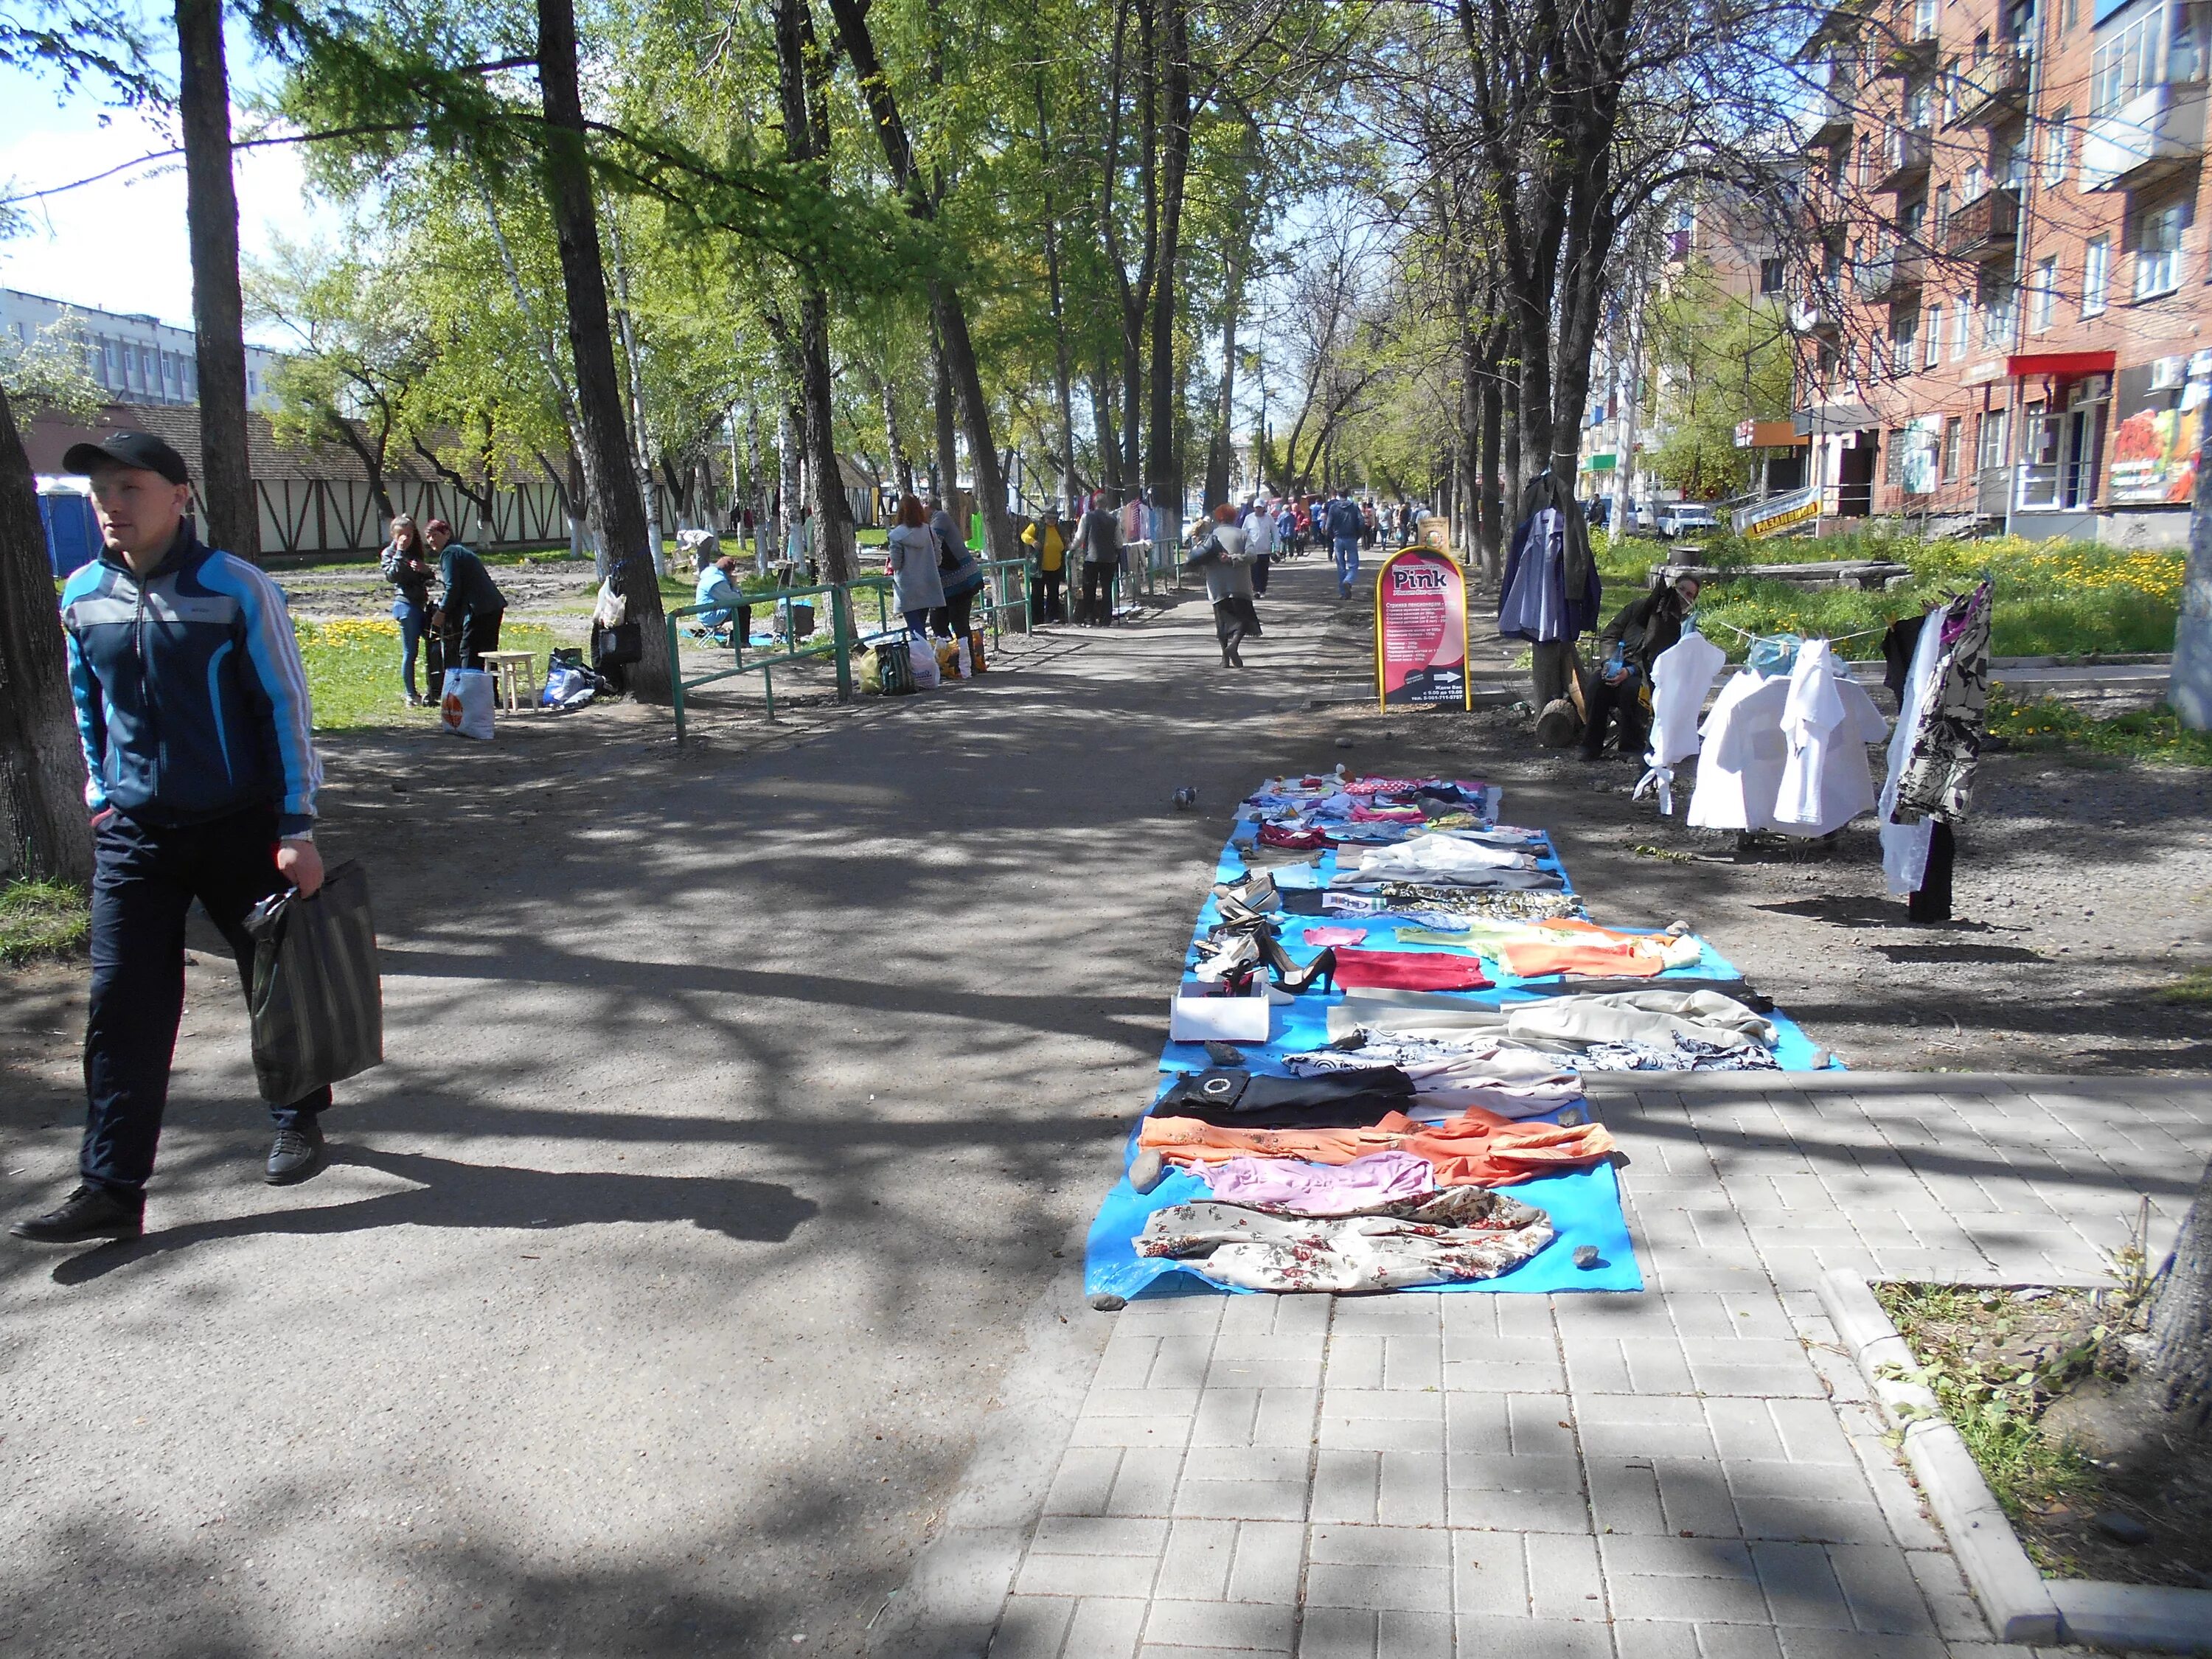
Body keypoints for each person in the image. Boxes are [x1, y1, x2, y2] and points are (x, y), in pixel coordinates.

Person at [13, 433, 333, 1245]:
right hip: (135, 836)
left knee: (275, 979)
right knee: (121, 1005)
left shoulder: (235, 589)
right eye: (100, 493)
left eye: (130, 487)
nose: (112, 505)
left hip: (240, 827)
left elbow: (283, 708)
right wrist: (100, 796)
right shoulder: (82, 593)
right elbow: (90, 707)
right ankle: (111, 1186)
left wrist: (295, 826)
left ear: (179, 496)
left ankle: (296, 1112)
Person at [1579, 571, 1702, 760]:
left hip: (1650, 678)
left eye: (1689, 594)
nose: (1683, 596)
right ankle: (1590, 746)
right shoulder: (1638, 608)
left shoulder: (1682, 627)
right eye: (1682, 589)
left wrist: (1631, 670)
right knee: (1596, 683)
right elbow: (1611, 634)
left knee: (1633, 688)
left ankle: (1631, 747)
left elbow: (1667, 662)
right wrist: (1609, 662)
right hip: (1618, 663)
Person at [424, 518, 506, 670]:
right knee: (487, 654)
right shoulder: (459, 550)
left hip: (479, 608)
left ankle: (469, 692)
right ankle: (488, 693)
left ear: (447, 533)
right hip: (492, 606)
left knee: (469, 651)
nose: (431, 540)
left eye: (434, 535)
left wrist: (441, 612)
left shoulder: (449, 553)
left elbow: (453, 587)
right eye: (428, 537)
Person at [1191, 503, 1260, 667]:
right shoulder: (1243, 535)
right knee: (1244, 619)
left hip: (1216, 586)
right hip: (1240, 585)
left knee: (1221, 622)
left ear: (1217, 518)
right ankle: (1234, 645)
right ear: (1234, 517)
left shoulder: (1209, 537)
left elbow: (1199, 559)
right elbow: (1252, 557)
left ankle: (1225, 659)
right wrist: (1233, 558)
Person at [380, 512, 437, 705]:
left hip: (421, 604)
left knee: (433, 646)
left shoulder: (415, 553)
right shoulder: (390, 553)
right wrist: (399, 552)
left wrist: (426, 571)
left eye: (410, 536)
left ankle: (434, 688)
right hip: (405, 605)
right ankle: (411, 694)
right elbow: (392, 576)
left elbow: (429, 580)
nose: (406, 539)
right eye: (401, 536)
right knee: (410, 651)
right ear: (393, 536)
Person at [885, 493, 945, 638]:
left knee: (915, 629)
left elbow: (897, 564)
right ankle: (924, 656)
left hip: (907, 588)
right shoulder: (929, 530)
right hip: (927, 584)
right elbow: (938, 559)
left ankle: (922, 658)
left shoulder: (896, 535)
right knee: (920, 626)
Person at [929, 496, 987, 639]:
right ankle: (949, 657)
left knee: (959, 623)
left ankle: (967, 659)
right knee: (938, 623)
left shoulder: (940, 518)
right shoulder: (929, 523)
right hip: (947, 585)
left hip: (962, 580)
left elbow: (932, 542)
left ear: (927, 506)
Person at [1071, 490, 1123, 625]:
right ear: (1106, 505)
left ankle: (1089, 617)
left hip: (1091, 558)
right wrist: (1117, 551)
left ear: (1094, 504)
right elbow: (1119, 541)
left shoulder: (1086, 517)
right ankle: (1106, 619)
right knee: (1107, 589)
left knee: (1089, 589)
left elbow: (1079, 537)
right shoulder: (1114, 519)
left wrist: (1071, 548)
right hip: (1109, 559)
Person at [692, 545, 751, 647]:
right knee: (744, 609)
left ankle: (737, 640)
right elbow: (736, 599)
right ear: (729, 571)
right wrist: (735, 585)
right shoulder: (718, 582)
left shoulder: (710, 575)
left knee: (742, 609)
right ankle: (738, 642)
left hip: (710, 610)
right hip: (710, 615)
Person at [1023, 505, 1069, 623]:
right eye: (1049, 518)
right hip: (1039, 568)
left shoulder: (1059, 529)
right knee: (1037, 595)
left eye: (1054, 518)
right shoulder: (1036, 526)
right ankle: (1036, 621)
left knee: (1053, 594)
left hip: (1055, 568)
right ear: (1044, 517)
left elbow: (1064, 542)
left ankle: (1052, 619)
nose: (1052, 520)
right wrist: (1033, 542)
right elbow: (1024, 535)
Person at [1324, 487, 1366, 598]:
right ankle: (1349, 580)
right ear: (1348, 494)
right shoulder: (1353, 507)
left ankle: (1343, 592)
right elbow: (1361, 522)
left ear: (1338, 494)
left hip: (1338, 539)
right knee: (1353, 564)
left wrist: (1332, 536)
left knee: (1341, 566)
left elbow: (1328, 526)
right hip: (1351, 538)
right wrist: (1358, 535)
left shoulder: (1333, 507)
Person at [1242, 490, 1277, 595]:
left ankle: (1262, 589)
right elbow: (1244, 533)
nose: (1258, 509)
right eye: (1256, 507)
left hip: (1265, 550)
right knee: (1254, 571)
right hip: (1253, 550)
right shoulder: (1249, 518)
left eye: (1260, 507)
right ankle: (1256, 589)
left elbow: (1275, 532)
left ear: (1264, 508)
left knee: (1263, 572)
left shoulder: (1269, 518)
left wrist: (1277, 548)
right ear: (1254, 508)